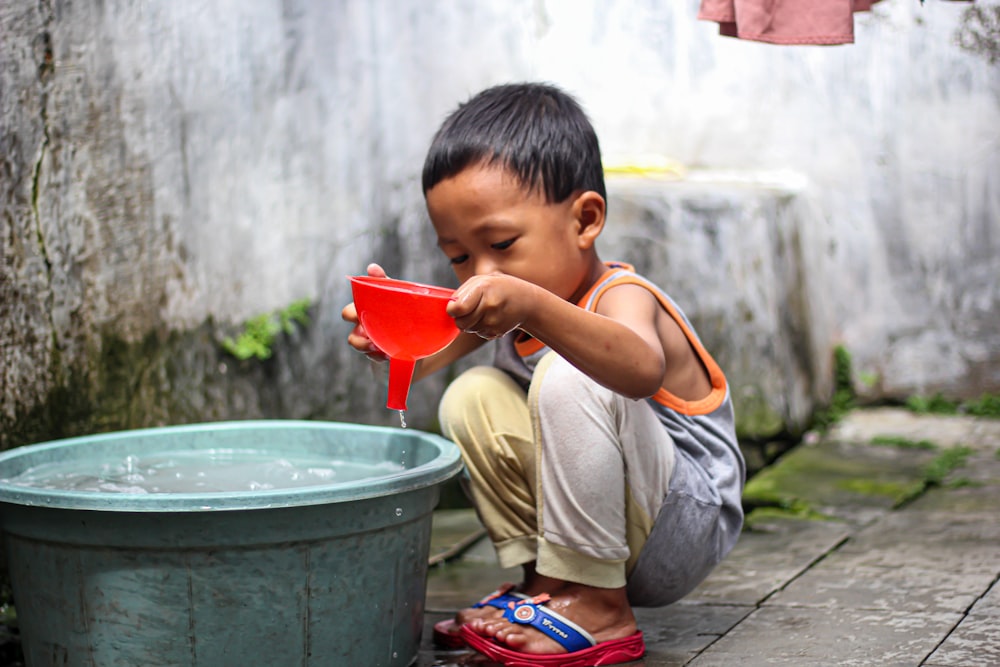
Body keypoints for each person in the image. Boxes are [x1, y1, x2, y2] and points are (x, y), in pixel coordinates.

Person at [342, 82, 745, 666]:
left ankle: (602, 610)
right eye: (459, 256)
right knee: (472, 394)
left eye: (502, 244)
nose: (481, 273)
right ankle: (551, 589)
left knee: (570, 373)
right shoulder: (503, 304)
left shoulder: (623, 296)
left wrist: (532, 305)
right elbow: (422, 354)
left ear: (585, 220)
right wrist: (387, 333)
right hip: (608, 525)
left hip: (679, 526)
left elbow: (637, 370)